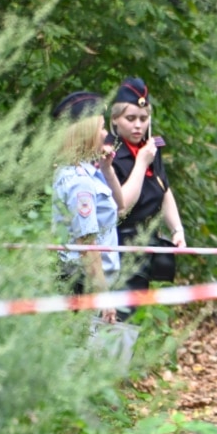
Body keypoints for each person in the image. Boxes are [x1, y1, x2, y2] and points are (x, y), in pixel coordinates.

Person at [109, 78, 186, 318]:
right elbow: (122, 206)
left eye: (143, 119)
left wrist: (177, 229)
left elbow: (163, 188)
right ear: (114, 120)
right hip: (119, 245)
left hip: (146, 244)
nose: (137, 126)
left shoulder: (153, 148)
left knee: (134, 318)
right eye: (130, 119)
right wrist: (141, 163)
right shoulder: (109, 153)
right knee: (119, 317)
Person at [51, 91, 125, 323]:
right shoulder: (80, 181)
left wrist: (106, 168)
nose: (106, 135)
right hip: (85, 284)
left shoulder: (80, 171)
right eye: (101, 128)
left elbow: (120, 206)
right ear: (86, 133)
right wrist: (103, 297)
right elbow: (87, 244)